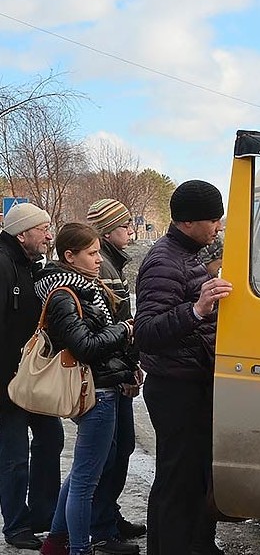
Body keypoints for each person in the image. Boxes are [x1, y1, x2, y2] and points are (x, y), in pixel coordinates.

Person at [134, 180, 231, 555]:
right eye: (212, 220)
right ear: (188, 222)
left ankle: (196, 544)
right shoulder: (164, 260)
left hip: (192, 381)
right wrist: (197, 310)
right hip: (174, 388)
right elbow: (146, 332)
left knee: (191, 478)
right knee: (176, 481)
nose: (218, 227)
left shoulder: (190, 253)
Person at [34, 223, 138, 555]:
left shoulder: (85, 287)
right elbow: (85, 347)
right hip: (95, 393)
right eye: (91, 253)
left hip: (105, 387)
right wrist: (123, 330)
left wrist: (127, 366)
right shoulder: (65, 295)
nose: (98, 260)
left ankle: (55, 541)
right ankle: (79, 548)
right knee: (85, 480)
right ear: (70, 256)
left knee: (84, 472)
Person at [0, 203, 64, 550]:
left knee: (51, 439)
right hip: (8, 384)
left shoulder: (28, 266)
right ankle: (16, 526)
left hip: (31, 379)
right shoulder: (3, 264)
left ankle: (43, 513)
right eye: (42, 229)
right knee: (13, 457)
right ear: (22, 233)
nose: (49, 235)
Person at [85, 200, 147, 545]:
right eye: (125, 226)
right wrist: (126, 371)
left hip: (117, 371)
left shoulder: (112, 262)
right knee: (108, 454)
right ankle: (101, 526)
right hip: (108, 377)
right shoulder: (104, 267)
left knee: (120, 448)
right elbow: (115, 328)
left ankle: (107, 514)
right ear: (109, 230)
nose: (130, 231)